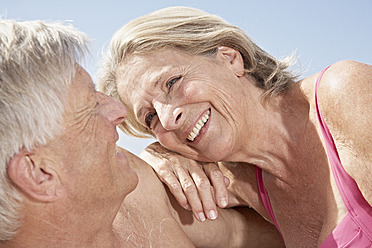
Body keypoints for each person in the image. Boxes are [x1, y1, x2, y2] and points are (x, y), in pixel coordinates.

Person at [97, 6, 372, 248]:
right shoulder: (235, 182)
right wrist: (155, 155)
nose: (168, 119)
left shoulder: (343, 93)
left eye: (171, 83)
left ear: (230, 58)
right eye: (150, 118)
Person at [0, 19, 284, 248]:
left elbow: (240, 235)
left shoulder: (134, 186)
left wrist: (177, 158)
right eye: (91, 106)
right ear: (39, 172)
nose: (119, 112)